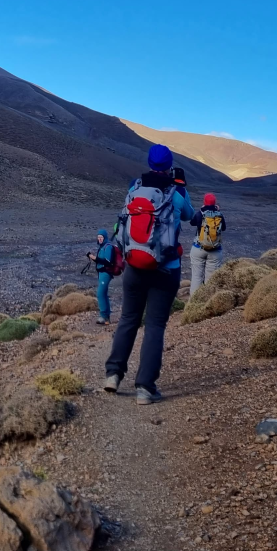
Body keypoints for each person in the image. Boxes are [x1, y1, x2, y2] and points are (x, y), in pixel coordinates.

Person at [104, 143, 193, 405]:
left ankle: (113, 375)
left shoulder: (134, 188)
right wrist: (183, 188)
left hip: (134, 266)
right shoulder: (177, 192)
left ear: (149, 163)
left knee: (128, 319)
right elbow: (188, 216)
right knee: (154, 325)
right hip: (166, 269)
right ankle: (145, 388)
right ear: (169, 165)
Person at [188, 192, 226, 295]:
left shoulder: (200, 213)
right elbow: (224, 228)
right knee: (211, 279)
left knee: (196, 277)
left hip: (198, 248)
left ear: (204, 202)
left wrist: (201, 210)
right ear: (215, 203)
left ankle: (193, 304)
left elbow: (192, 223)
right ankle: (208, 303)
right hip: (215, 250)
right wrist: (217, 211)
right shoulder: (219, 215)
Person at [86, 229, 115, 324]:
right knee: (104, 294)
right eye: (98, 238)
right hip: (101, 273)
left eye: (101, 237)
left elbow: (108, 261)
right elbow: (100, 261)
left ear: (105, 237)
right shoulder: (102, 247)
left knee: (100, 294)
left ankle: (103, 316)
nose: (100, 239)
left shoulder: (108, 247)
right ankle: (107, 318)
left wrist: (95, 258)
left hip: (106, 273)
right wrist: (92, 257)